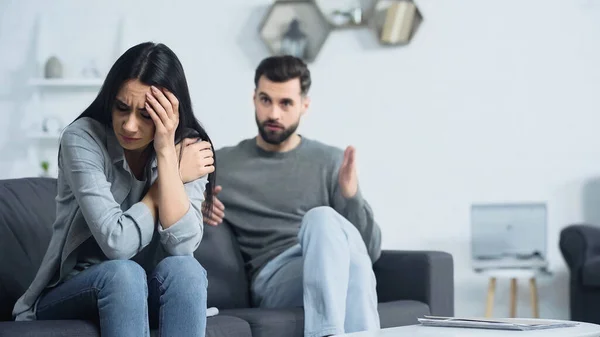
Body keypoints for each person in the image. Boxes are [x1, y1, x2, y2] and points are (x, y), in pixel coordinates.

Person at [12, 42, 215, 337]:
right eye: (122, 108)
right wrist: (163, 187)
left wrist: (167, 155)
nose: (129, 126)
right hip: (77, 289)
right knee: (124, 274)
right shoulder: (81, 138)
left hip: (148, 289)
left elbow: (182, 247)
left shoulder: (186, 149)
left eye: (146, 115)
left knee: (187, 272)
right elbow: (116, 244)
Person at [203, 55, 382, 337]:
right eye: (265, 100)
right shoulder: (222, 164)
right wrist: (197, 207)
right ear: (254, 99)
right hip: (274, 278)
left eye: (285, 103)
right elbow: (177, 213)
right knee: (348, 260)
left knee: (341, 243)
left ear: (304, 106)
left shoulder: (330, 161)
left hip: (331, 264)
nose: (274, 113)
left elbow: (369, 252)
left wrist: (352, 197)